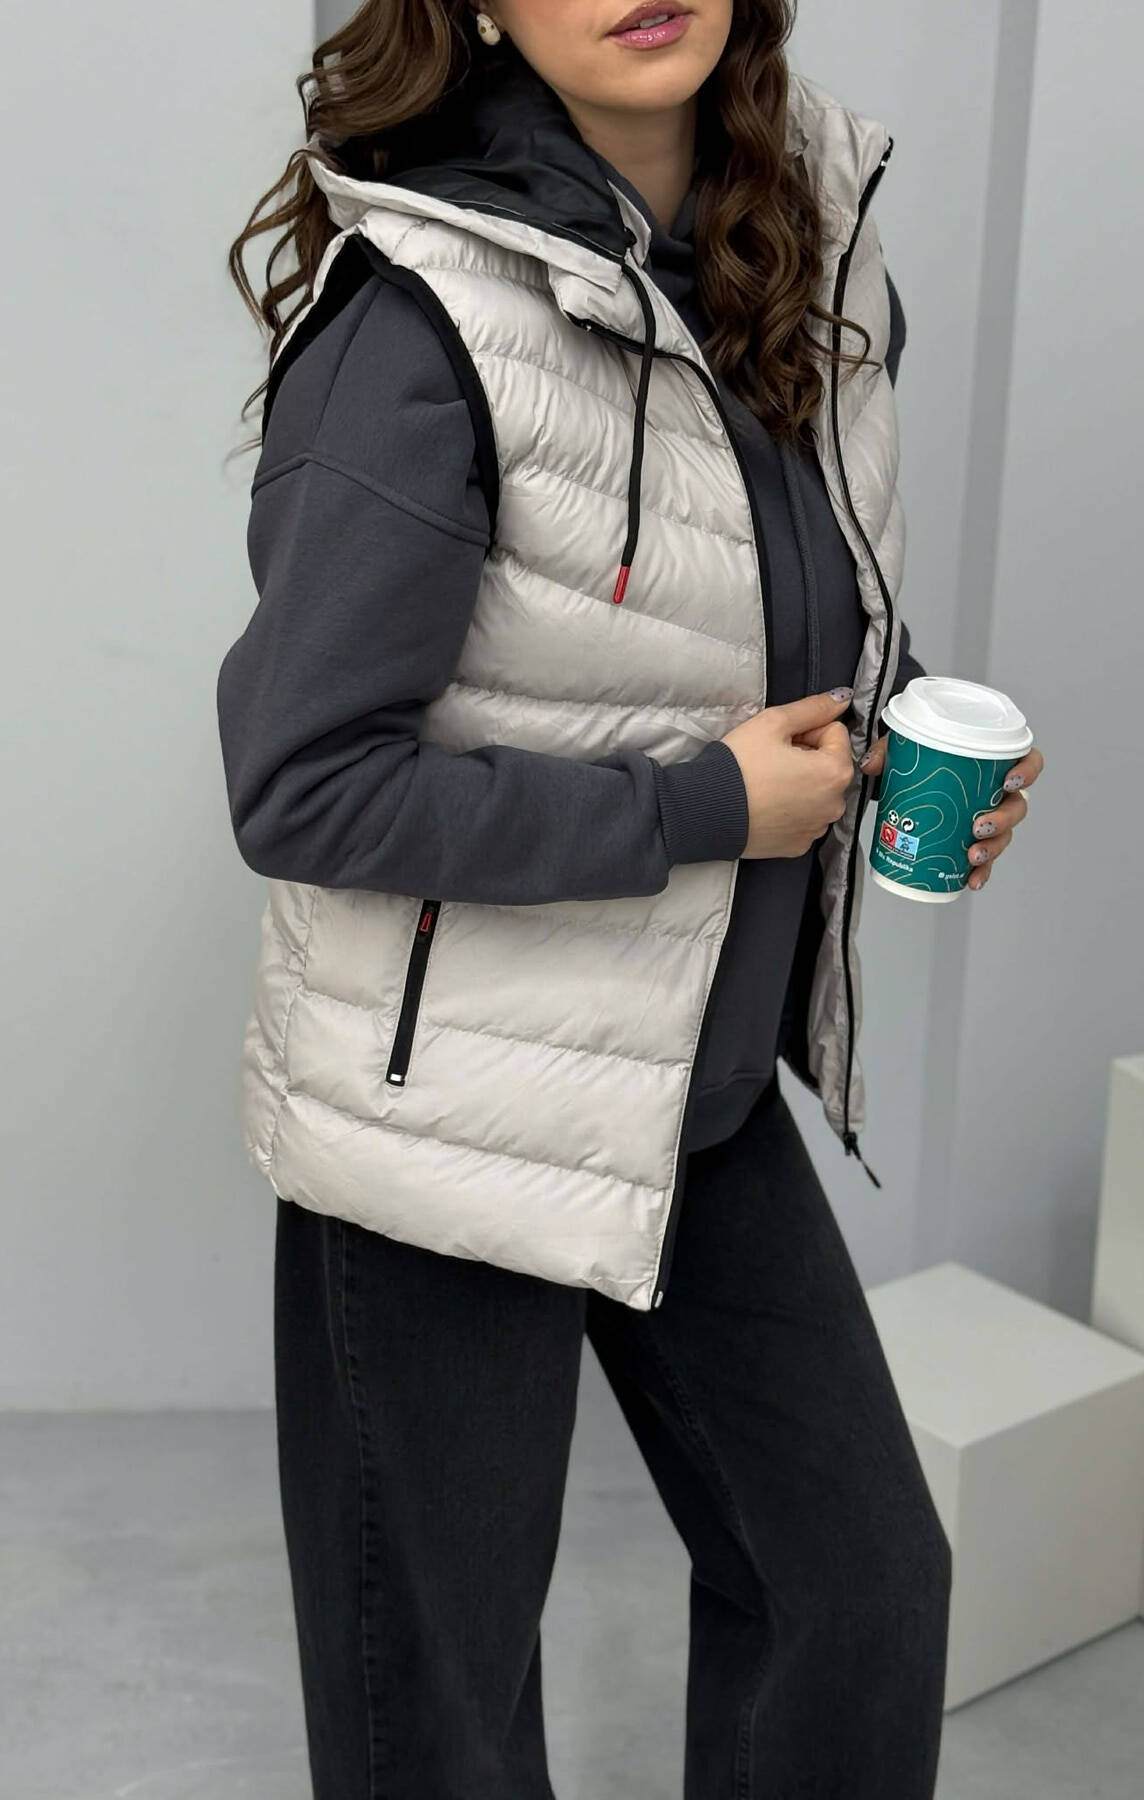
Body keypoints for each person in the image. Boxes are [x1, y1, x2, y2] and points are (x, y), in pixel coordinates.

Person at [218, 2, 1041, 1793]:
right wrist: (709, 805)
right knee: (439, 1717)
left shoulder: (804, 245)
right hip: (447, 1128)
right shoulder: (422, 322)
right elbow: (303, 784)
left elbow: (737, 623)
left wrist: (888, 748)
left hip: (692, 1082)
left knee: (856, 1590)